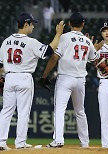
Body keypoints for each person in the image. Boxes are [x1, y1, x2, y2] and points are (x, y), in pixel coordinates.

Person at [0, 12, 64, 150]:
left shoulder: (6, 41)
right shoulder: (30, 42)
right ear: (26, 24)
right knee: (23, 112)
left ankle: (0, 142)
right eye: (32, 24)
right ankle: (20, 142)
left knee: (6, 111)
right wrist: (58, 34)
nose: (33, 27)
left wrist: (2, 77)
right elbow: (48, 51)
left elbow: (0, 65)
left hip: (9, 77)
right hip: (24, 77)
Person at [40, 12, 102, 148]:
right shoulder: (87, 41)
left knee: (60, 109)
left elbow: (54, 58)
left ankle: (58, 140)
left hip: (65, 78)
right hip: (81, 80)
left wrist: (44, 76)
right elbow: (95, 60)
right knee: (80, 111)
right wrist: (94, 48)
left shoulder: (64, 37)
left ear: (69, 24)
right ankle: (85, 143)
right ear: (83, 24)